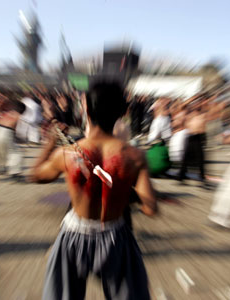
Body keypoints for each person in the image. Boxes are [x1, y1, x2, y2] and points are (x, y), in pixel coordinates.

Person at [31, 81, 157, 299]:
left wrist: (50, 142)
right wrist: (124, 189)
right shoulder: (135, 156)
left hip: (72, 237)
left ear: (86, 109)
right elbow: (150, 208)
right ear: (123, 112)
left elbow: (36, 175)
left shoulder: (67, 153)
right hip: (115, 237)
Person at [0, 100, 26, 180]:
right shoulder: (18, 115)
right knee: (15, 152)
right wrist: (19, 139)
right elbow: (14, 128)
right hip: (5, 131)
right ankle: (15, 172)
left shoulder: (6, 112)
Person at [178, 105, 207, 182]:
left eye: (195, 110)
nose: (194, 111)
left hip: (197, 137)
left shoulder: (201, 117)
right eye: (193, 110)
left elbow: (203, 129)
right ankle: (181, 175)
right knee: (186, 157)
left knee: (199, 158)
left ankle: (201, 175)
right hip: (190, 137)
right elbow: (184, 123)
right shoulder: (189, 116)